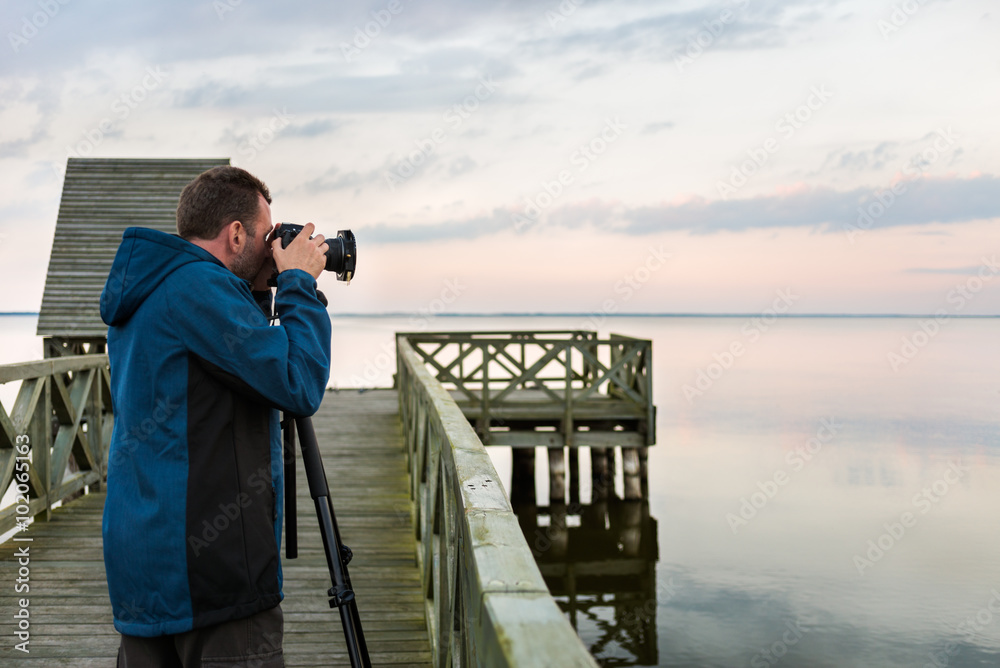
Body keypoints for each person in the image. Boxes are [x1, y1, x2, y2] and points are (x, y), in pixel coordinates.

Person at [100, 166, 332, 667]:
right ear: (236, 233)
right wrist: (298, 284)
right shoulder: (199, 287)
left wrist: (261, 292)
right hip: (210, 574)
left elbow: (224, 367)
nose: (272, 247)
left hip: (145, 565)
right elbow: (297, 383)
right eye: (267, 235)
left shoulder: (155, 284)